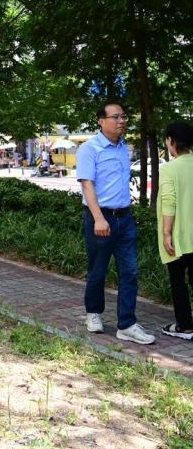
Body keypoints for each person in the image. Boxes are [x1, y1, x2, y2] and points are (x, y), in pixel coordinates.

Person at [76, 102, 155, 344]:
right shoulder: (90, 149)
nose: (122, 121)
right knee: (98, 270)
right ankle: (93, 313)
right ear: (101, 120)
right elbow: (87, 184)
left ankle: (127, 324)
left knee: (130, 272)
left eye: (124, 117)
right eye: (116, 117)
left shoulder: (124, 148)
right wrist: (99, 218)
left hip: (125, 218)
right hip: (100, 217)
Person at [157, 121, 193, 339]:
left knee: (178, 281)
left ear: (171, 141)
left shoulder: (169, 169)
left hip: (179, 237)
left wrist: (167, 233)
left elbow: (169, 201)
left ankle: (185, 326)